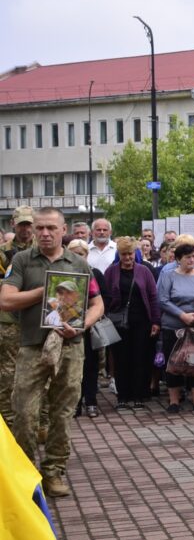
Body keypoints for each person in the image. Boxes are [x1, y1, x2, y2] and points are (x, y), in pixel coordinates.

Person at [0, 207, 104, 498]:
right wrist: (46, 291)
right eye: (40, 228)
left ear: (62, 231)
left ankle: (54, 473)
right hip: (32, 347)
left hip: (70, 347)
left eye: (51, 228)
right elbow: (6, 300)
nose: (45, 233)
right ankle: (26, 476)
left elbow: (98, 304)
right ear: (33, 230)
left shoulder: (79, 264)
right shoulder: (22, 260)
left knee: (62, 413)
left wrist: (82, 324)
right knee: (24, 414)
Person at [157, 242, 194, 413]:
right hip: (174, 325)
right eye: (188, 257)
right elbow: (163, 300)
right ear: (178, 259)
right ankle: (174, 401)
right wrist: (182, 315)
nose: (192, 260)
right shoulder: (168, 276)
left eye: (193, 256)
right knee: (173, 362)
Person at [104, 237, 160, 410]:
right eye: (123, 254)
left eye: (130, 254)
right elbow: (105, 296)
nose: (127, 258)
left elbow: (153, 296)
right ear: (119, 254)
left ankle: (138, 395)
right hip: (118, 322)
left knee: (140, 358)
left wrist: (155, 321)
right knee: (121, 359)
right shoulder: (111, 272)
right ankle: (122, 396)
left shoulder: (144, 271)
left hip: (141, 321)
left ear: (135, 254)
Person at [0, 205, 35, 428]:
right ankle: (8, 420)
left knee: (39, 372)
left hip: (34, 318)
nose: (26, 229)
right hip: (9, 320)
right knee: (8, 371)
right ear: (13, 224)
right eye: (22, 224)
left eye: (29, 224)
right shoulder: (3, 252)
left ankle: (39, 421)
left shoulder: (43, 250)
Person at [67, 239, 108, 418]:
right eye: (74, 254)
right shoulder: (62, 273)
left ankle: (91, 401)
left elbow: (103, 299)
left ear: (87, 255)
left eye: (81, 254)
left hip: (90, 327)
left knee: (91, 366)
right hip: (67, 326)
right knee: (72, 368)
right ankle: (75, 403)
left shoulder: (95, 274)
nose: (78, 257)